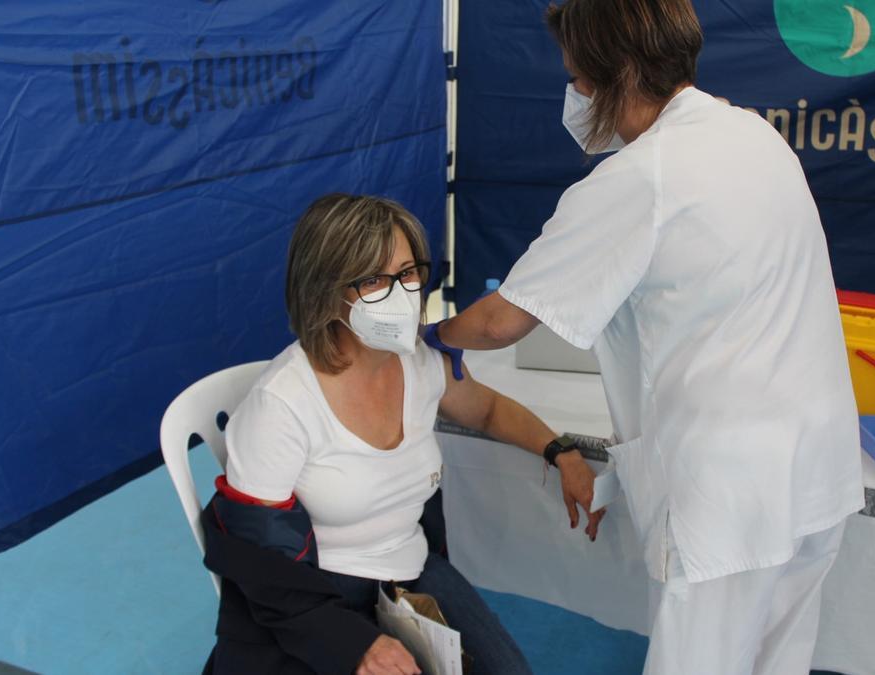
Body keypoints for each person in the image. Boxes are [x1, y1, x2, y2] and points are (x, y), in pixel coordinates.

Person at [422, 1, 866, 673]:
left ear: (618, 76)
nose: (572, 95)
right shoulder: (751, 134)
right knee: (777, 662)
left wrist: (425, 336)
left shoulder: (641, 176)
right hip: (815, 468)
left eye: (577, 78)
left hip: (734, 490)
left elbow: (500, 321)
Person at [218, 193, 603, 675]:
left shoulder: (420, 363)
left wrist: (562, 452)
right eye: (374, 280)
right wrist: (353, 643)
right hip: (314, 596)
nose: (401, 295)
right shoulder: (282, 405)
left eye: (407, 273)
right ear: (324, 291)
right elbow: (262, 564)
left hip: (409, 572)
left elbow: (487, 412)